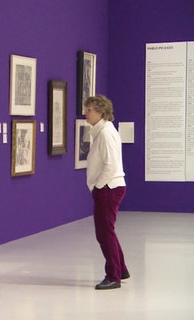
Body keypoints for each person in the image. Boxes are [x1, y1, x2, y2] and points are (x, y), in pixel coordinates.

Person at [84, 95, 129, 290]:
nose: (86, 113)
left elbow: (110, 165)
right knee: (107, 232)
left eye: (89, 110)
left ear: (101, 112)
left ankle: (113, 276)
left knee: (104, 234)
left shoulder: (106, 133)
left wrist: (98, 187)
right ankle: (121, 269)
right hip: (108, 187)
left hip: (109, 188)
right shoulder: (102, 131)